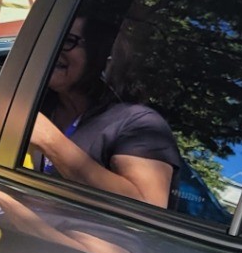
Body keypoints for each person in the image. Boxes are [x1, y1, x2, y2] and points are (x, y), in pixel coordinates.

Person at [29, 15, 180, 208]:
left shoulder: (138, 123)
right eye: (51, 38)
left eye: (68, 41)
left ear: (101, 56)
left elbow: (145, 207)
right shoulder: (36, 101)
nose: (54, 47)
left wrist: (50, 141)